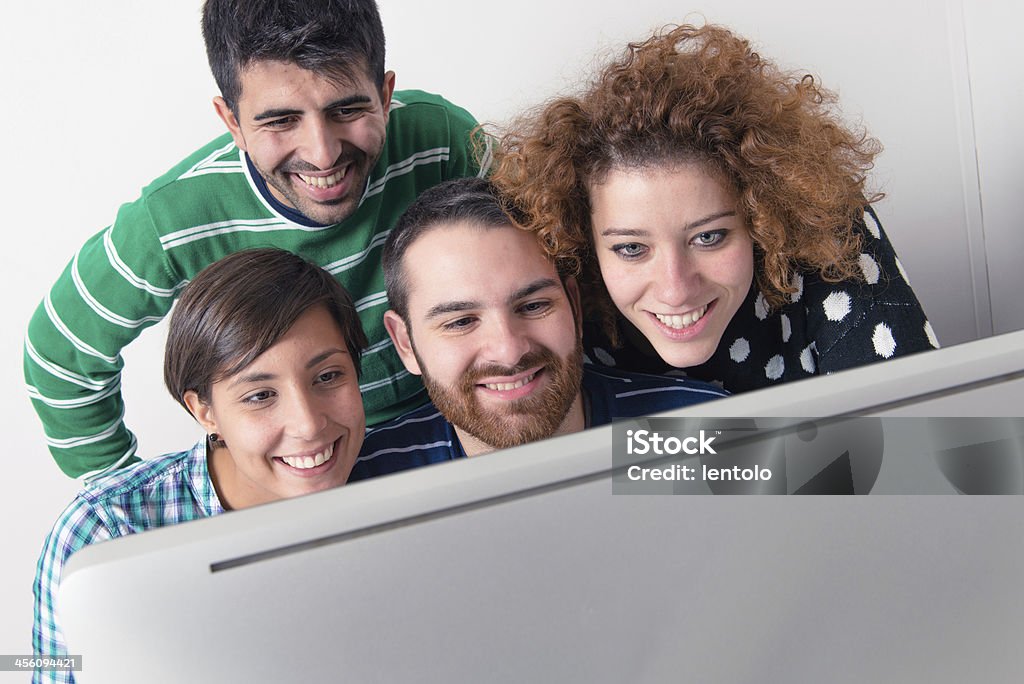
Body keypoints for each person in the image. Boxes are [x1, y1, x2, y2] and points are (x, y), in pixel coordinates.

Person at [25, 0, 485, 480]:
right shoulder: (172, 217)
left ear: (385, 94)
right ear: (232, 122)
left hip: (449, 433)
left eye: (346, 109)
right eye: (280, 121)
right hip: (295, 470)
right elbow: (58, 353)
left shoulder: (443, 139)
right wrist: (118, 492)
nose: (322, 154)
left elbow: (549, 263)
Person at [491, 23, 939, 394]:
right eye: (630, 248)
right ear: (585, 244)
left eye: (708, 237)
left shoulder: (823, 230)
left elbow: (921, 450)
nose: (675, 289)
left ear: (763, 218)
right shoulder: (562, 293)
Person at [32, 248, 368, 683]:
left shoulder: (413, 478)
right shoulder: (105, 528)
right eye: (260, 395)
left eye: (328, 377)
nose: (308, 424)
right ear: (205, 412)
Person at [348, 177, 727, 477]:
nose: (509, 350)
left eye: (533, 306)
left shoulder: (699, 434)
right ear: (405, 344)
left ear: (575, 309)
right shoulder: (368, 479)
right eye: (461, 322)